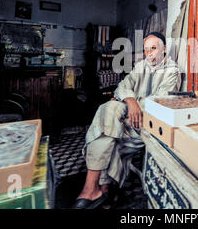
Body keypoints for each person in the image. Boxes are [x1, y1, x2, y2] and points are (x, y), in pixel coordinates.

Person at [72, 32, 181, 209]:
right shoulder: (141, 66)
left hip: (147, 123)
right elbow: (123, 85)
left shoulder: (172, 71)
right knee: (107, 108)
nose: (150, 53)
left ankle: (102, 188)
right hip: (127, 116)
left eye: (154, 48)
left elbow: (160, 100)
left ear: (164, 49)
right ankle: (95, 188)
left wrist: (133, 104)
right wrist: (130, 101)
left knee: (110, 133)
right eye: (146, 49)